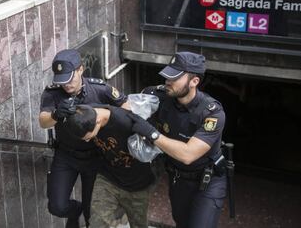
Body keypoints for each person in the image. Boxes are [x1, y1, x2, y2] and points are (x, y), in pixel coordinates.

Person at [128, 52, 227, 228]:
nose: (167, 81)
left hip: (208, 180)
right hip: (178, 178)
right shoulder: (160, 95)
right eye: (167, 75)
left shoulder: (212, 113)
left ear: (194, 81)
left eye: (174, 78)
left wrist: (152, 134)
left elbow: (188, 154)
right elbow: (126, 106)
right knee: (182, 222)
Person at [39, 49, 129, 228]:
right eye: (61, 80)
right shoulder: (53, 93)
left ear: (80, 69)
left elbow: (126, 109)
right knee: (57, 206)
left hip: (96, 158)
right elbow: (43, 121)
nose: (66, 85)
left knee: (92, 215)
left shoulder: (100, 89)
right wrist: (56, 114)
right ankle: (75, 211)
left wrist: (104, 121)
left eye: (69, 79)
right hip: (66, 156)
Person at [65, 104, 155, 228]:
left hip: (137, 184)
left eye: (89, 137)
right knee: (97, 223)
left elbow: (153, 150)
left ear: (98, 121)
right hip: (108, 178)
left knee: (139, 225)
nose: (88, 141)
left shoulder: (125, 123)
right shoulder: (87, 112)